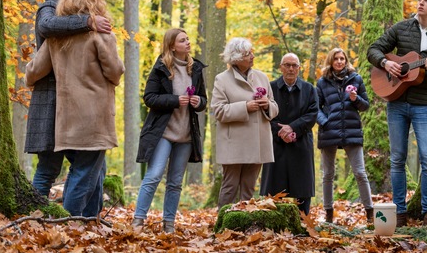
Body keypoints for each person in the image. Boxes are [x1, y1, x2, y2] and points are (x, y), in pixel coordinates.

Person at [25, 0, 124, 217]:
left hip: (66, 116)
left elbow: (35, 71)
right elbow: (115, 71)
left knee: (87, 171)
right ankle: (71, 223)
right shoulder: (101, 33)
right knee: (85, 172)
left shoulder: (55, 38)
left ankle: (87, 221)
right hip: (94, 114)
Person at [367, 0, 427, 228]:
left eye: (426, 1)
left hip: (424, 104)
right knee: (397, 159)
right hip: (396, 102)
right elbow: (372, 49)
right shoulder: (401, 28)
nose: (420, 3)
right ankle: (399, 214)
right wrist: (386, 63)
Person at [132, 28, 207, 233]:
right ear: (172, 45)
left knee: (175, 182)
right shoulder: (161, 67)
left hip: (186, 135)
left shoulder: (196, 69)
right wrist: (175, 100)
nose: (188, 42)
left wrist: (198, 101)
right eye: (183, 40)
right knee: (154, 175)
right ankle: (138, 221)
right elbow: (149, 98)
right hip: (163, 133)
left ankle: (169, 224)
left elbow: (203, 101)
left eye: (188, 39)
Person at [211, 38, 279, 207]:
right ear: (236, 57)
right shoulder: (222, 80)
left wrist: (267, 105)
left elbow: (274, 107)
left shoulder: (262, 77)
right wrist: (245, 107)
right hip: (233, 143)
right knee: (230, 186)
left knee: (249, 188)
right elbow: (218, 110)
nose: (252, 56)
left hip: (258, 142)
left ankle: (246, 225)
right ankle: (223, 222)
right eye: (248, 54)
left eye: (251, 52)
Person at [316, 47, 374, 224]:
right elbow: (315, 108)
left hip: (352, 130)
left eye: (342, 58)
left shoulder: (356, 79)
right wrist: (325, 122)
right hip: (329, 131)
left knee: (360, 172)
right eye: (336, 59)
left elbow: (365, 106)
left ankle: (369, 212)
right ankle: (328, 212)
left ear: (346, 60)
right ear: (331, 61)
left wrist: (355, 98)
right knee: (328, 174)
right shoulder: (322, 82)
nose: (339, 61)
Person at [260, 53, 318, 215]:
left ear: (299, 68)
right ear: (281, 67)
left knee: (302, 187)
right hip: (276, 143)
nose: (291, 69)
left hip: (301, 142)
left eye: (294, 65)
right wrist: (281, 131)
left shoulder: (309, 89)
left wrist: (292, 128)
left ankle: (303, 221)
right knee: (273, 186)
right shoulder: (270, 88)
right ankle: (272, 220)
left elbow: (312, 114)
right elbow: (264, 115)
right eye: (287, 65)